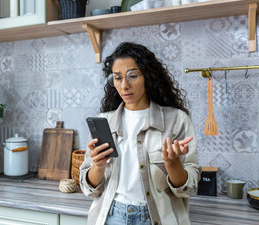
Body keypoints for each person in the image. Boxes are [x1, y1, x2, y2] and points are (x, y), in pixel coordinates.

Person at [79, 42, 200, 225]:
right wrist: (98, 165)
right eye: (117, 78)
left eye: (133, 76)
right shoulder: (105, 122)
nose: (124, 85)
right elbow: (90, 190)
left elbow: (189, 189)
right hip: (112, 216)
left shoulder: (176, 120)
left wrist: (173, 164)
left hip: (158, 218)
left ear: (148, 76)